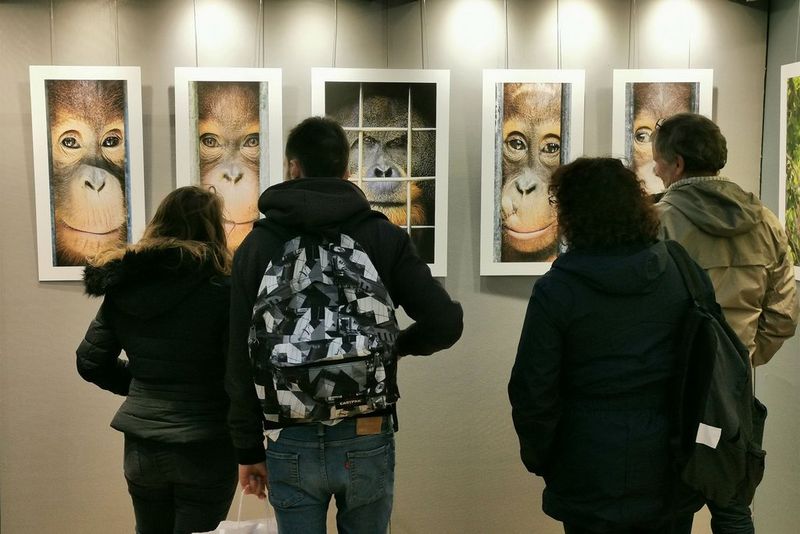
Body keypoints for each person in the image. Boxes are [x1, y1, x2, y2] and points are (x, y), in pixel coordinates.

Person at [225, 116, 463, 534]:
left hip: (288, 434)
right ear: (346, 169)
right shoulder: (381, 236)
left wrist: (247, 449)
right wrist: (396, 346)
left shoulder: (258, 244)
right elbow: (444, 323)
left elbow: (239, 356)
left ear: (293, 167)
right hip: (366, 429)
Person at [508, 157, 705, 534]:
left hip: (587, 461)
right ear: (636, 205)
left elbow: (533, 389)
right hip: (669, 459)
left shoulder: (558, 289)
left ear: (572, 215)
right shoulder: (680, 272)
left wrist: (544, 457)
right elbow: (704, 362)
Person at [653, 113, 800, 533]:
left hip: (671, 390)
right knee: (734, 509)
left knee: (670, 509)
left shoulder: (658, 222)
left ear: (677, 164)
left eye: (657, 161)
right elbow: (783, 316)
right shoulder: (766, 222)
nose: (655, 170)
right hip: (735, 393)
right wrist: (740, 358)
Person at [76, 186, 237, 534]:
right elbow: (236, 373)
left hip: (142, 446)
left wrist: (141, 387)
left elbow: (90, 361)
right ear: (214, 228)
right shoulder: (224, 289)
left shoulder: (124, 286)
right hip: (206, 442)